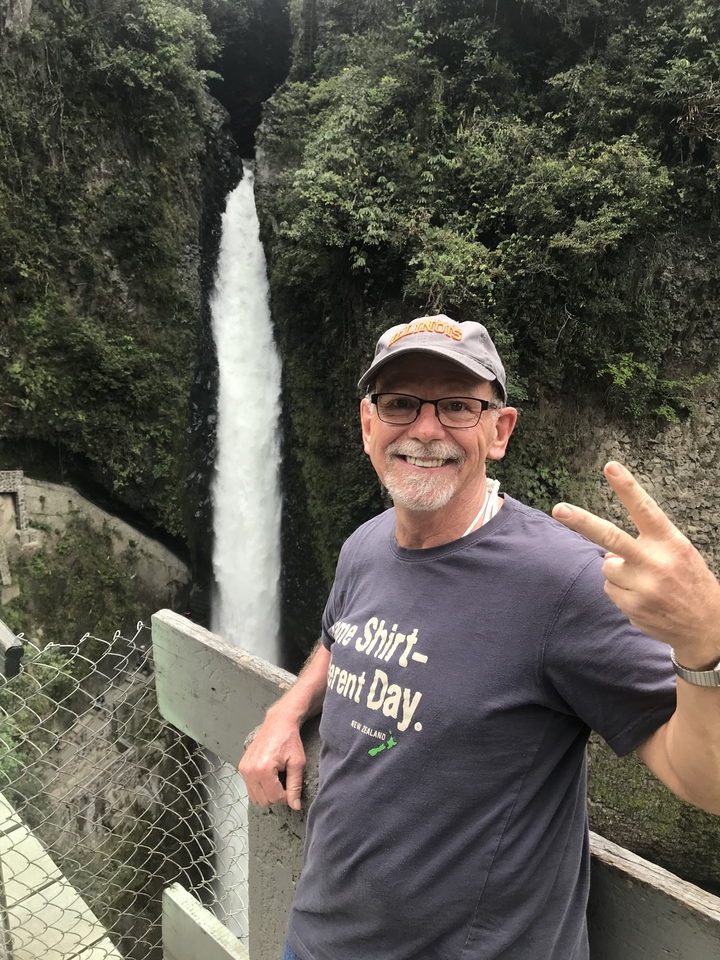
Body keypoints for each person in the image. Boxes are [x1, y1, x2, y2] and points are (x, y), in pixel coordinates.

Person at [240, 316, 720, 960]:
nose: (425, 428)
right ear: (367, 424)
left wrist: (705, 646)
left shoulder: (566, 583)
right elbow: (339, 636)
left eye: (458, 406)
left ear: (498, 431)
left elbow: (705, 783)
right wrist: (288, 707)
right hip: (317, 940)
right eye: (400, 403)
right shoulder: (365, 546)